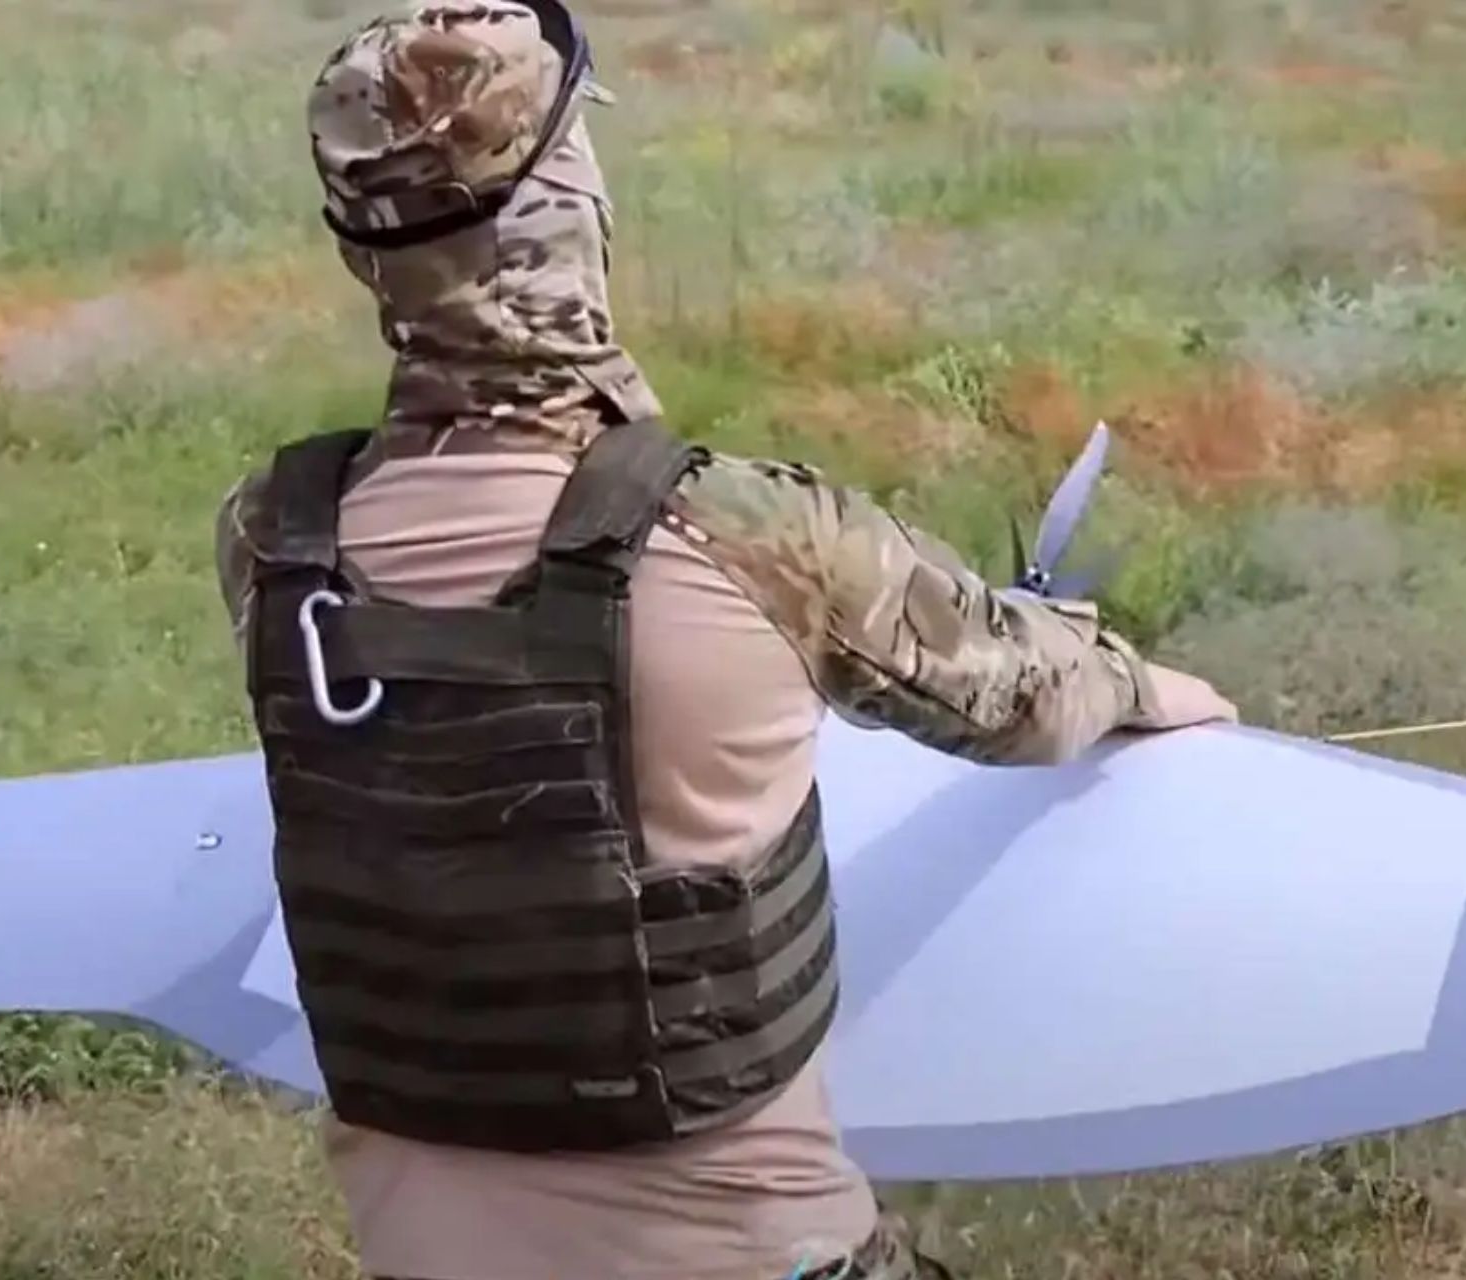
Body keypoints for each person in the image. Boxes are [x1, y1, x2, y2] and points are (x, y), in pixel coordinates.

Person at [212, 3, 1237, 1277]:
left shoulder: (274, 545)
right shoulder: (746, 534)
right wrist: (1140, 680)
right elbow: (1029, 697)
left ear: (360, 241)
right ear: (572, 209)